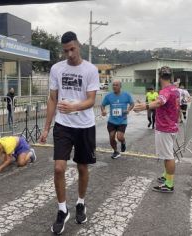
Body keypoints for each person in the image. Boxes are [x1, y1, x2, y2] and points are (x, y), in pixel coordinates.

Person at [39, 31, 100, 235]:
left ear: (78, 46)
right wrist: (46, 127)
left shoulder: (90, 70)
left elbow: (91, 100)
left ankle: (80, 203)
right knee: (58, 168)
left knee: (82, 167)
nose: (70, 54)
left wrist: (75, 108)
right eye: (66, 51)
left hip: (84, 126)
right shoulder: (57, 69)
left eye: (72, 49)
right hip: (63, 125)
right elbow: (52, 99)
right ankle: (62, 209)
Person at [133, 66, 180, 193]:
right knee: (167, 154)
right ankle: (166, 176)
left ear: (159, 77)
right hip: (173, 127)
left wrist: (144, 106)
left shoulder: (165, 91)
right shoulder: (175, 90)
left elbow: (160, 102)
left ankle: (169, 184)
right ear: (170, 77)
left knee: (168, 156)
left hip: (165, 128)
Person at [101, 80, 134, 158]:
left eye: (116, 85)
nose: (114, 87)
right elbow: (102, 105)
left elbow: (132, 104)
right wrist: (103, 110)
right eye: (113, 85)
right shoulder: (109, 96)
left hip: (122, 120)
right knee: (111, 137)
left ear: (120, 86)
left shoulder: (126, 95)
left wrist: (128, 110)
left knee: (120, 137)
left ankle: (123, 142)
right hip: (112, 120)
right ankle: (116, 151)